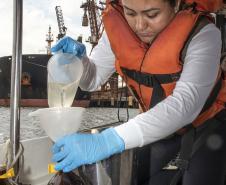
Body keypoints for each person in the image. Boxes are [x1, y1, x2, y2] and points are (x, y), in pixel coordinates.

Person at [50, 0, 226, 184]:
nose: (140, 26)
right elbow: (92, 80)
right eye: (130, 13)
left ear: (175, 5)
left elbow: (185, 105)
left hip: (207, 124)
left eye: (152, 15)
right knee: (126, 176)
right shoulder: (118, 31)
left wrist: (107, 141)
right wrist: (78, 63)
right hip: (155, 125)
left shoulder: (203, 33)